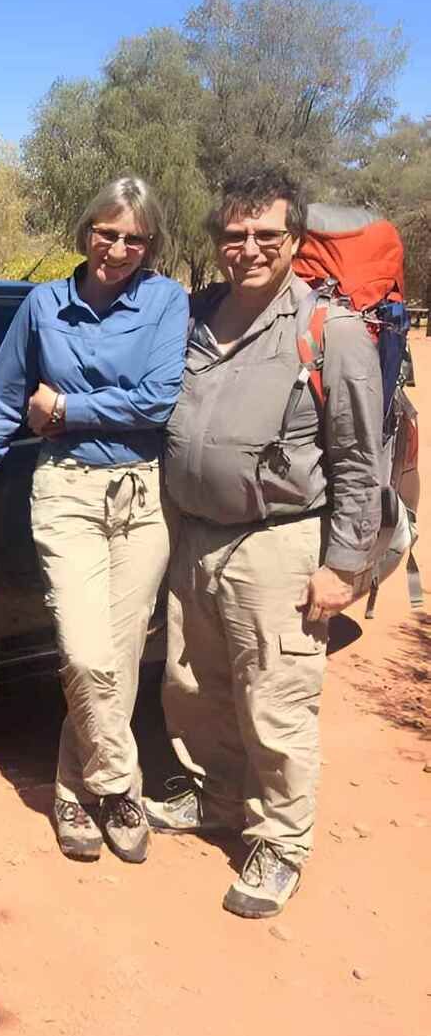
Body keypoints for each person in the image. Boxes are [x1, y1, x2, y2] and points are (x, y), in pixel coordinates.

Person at [0, 177, 189, 864]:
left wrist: (66, 410)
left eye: (135, 237)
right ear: (85, 230)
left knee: (120, 661)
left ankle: (72, 790)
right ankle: (118, 784)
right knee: (84, 653)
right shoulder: (44, 305)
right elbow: (6, 398)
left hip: (140, 495)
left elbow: (159, 401)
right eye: (107, 231)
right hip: (66, 490)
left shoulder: (164, 300)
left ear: (150, 244)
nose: (119, 248)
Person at [145, 168, 383, 918]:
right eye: (233, 234)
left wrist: (344, 565)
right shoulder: (195, 315)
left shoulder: (329, 332)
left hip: (279, 543)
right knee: (192, 687)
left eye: (265, 234)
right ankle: (217, 800)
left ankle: (281, 840)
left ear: (295, 240)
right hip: (194, 538)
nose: (247, 247)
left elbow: (357, 458)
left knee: (275, 702)